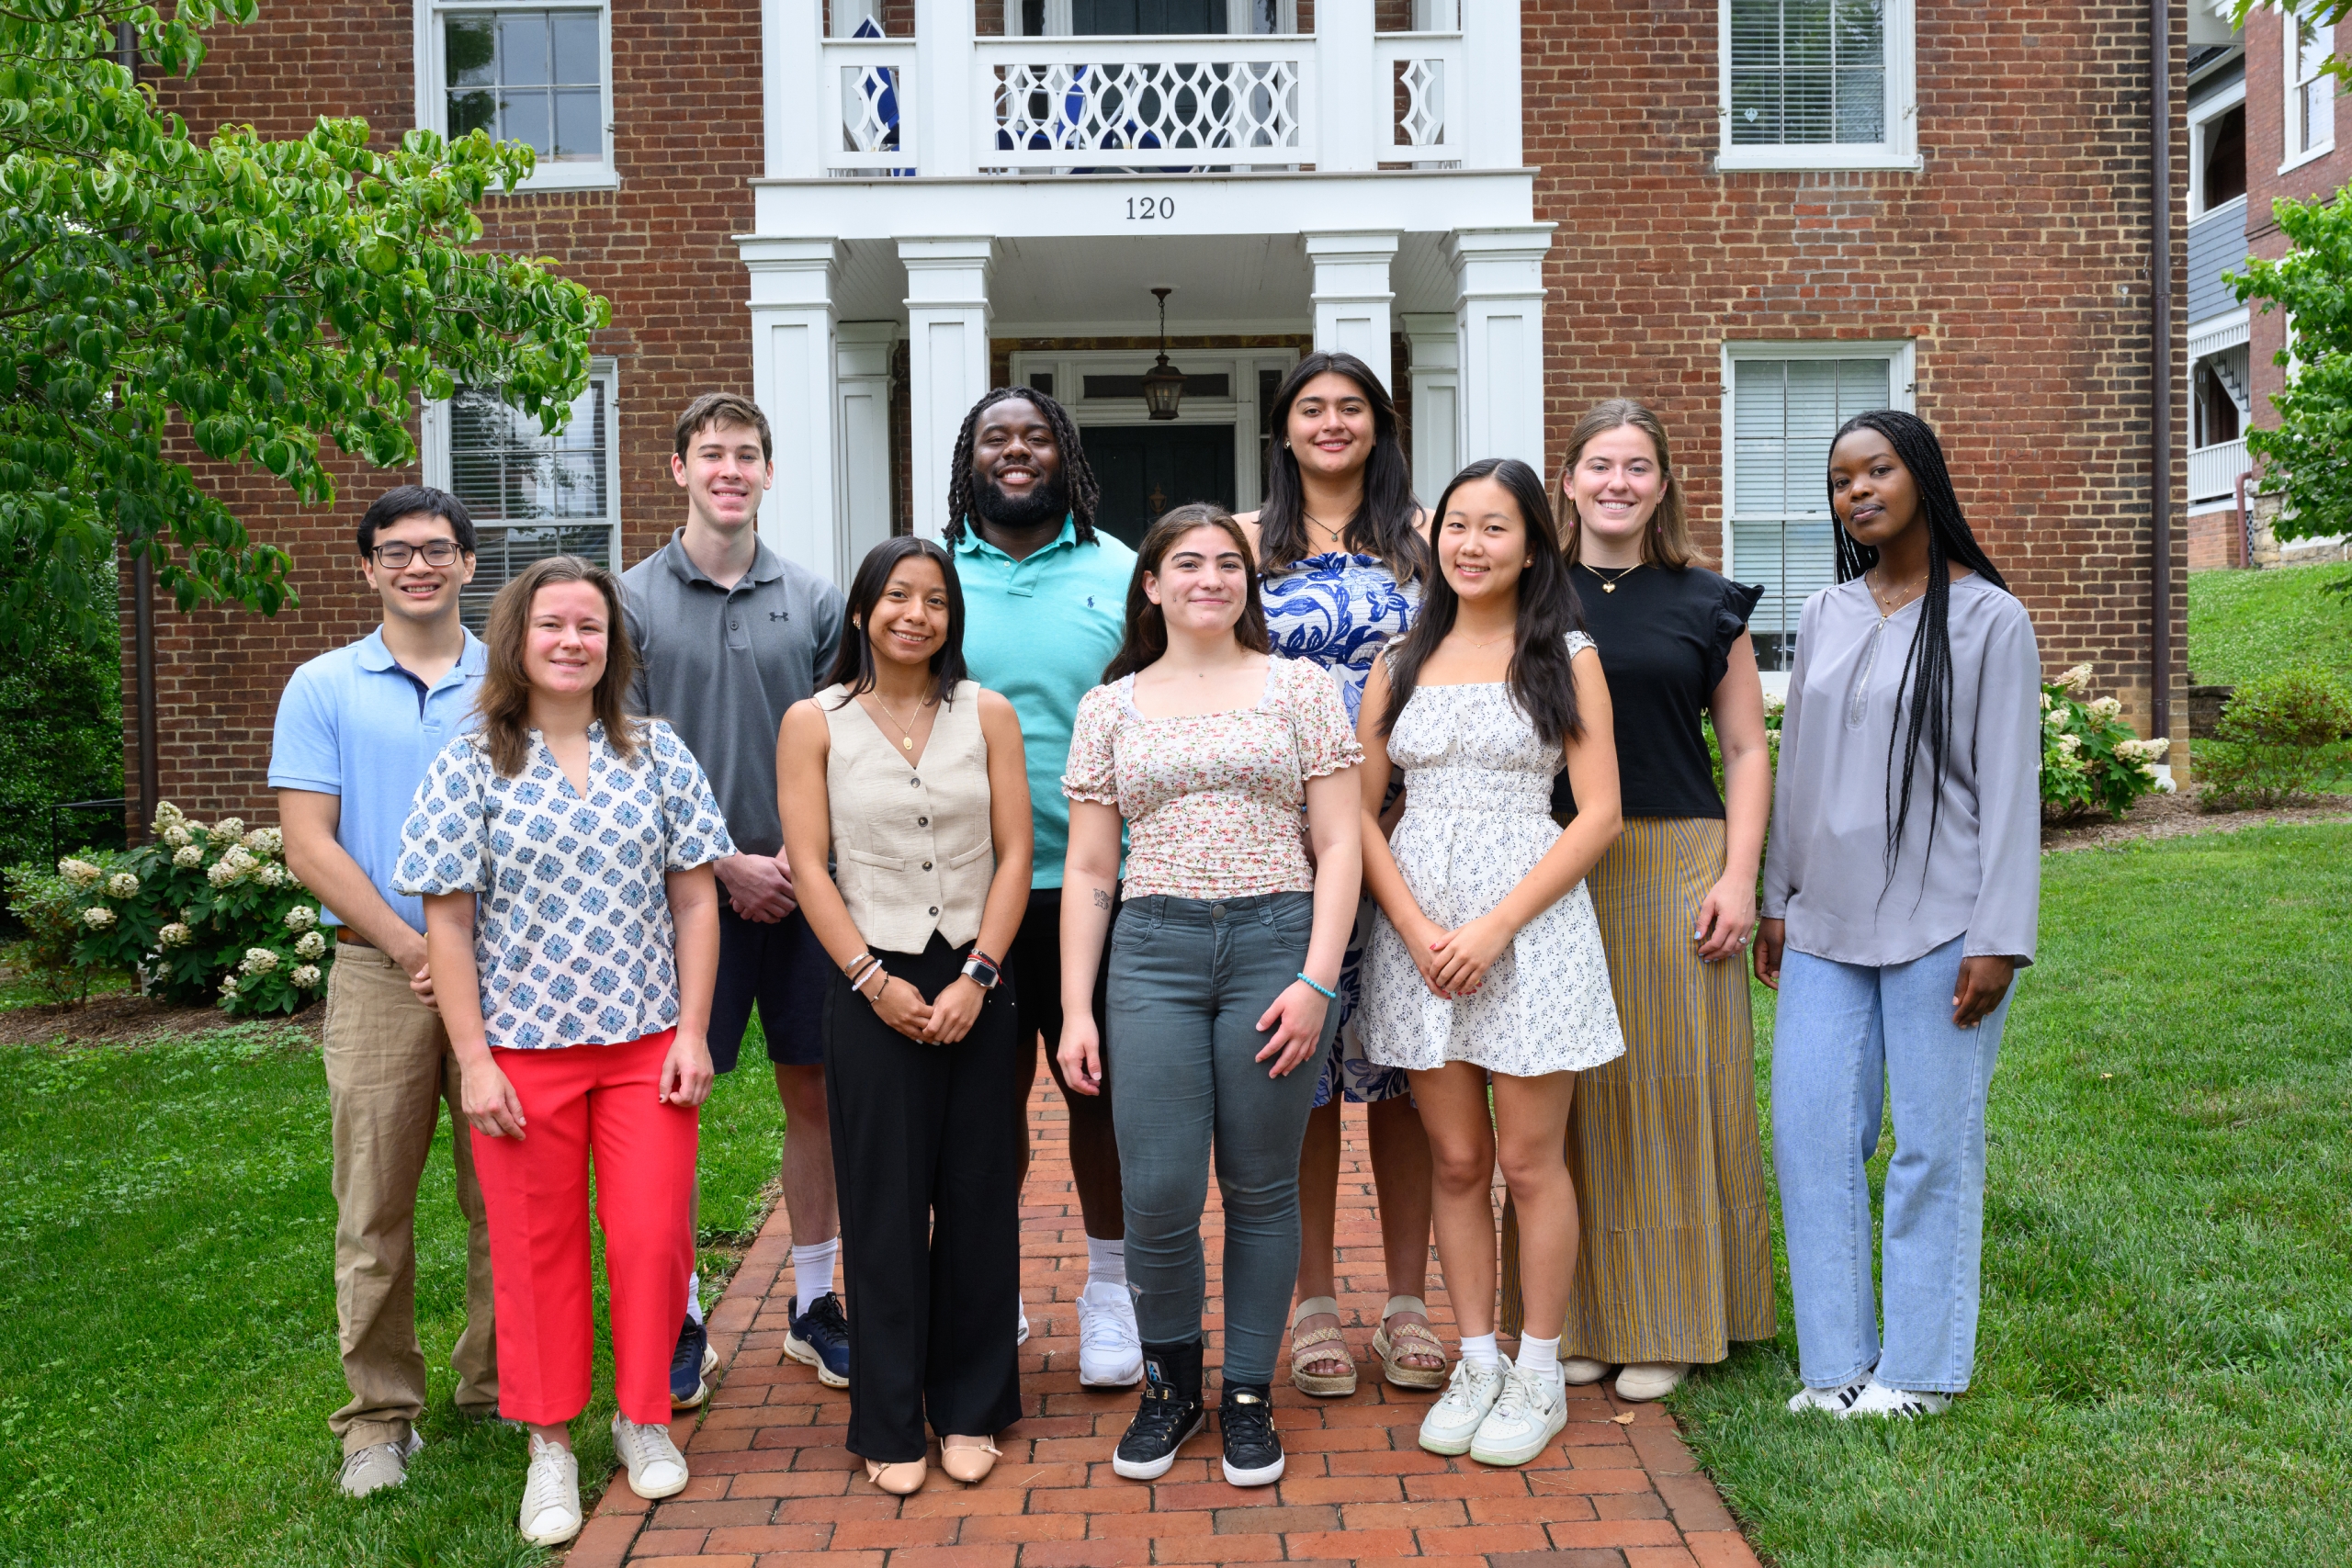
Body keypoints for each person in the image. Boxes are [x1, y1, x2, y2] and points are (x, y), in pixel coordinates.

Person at [395, 555, 733, 1545]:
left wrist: (695, 1031)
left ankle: (641, 1417)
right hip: (523, 1051)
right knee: (537, 1252)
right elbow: (446, 924)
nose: (572, 640)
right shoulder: (470, 762)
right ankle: (548, 1444)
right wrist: (472, 1058)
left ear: (611, 644)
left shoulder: (658, 752)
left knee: (649, 1239)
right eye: (552, 625)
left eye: (589, 625)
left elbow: (696, 897)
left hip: (646, 1046)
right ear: (518, 640)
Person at [1058, 504, 1363, 1488]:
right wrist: (1074, 1007)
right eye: (1185, 563)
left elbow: (1340, 844)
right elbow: (1093, 866)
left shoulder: (1299, 688)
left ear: (1249, 584)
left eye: (1227, 564)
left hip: (1276, 941)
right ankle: (1170, 1389)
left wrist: (1318, 978)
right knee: (1155, 1191)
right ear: (1149, 586)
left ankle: (1244, 1397)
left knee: (1262, 1186)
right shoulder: (1112, 705)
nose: (1208, 578)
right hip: (1152, 951)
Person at [1757, 410, 2040, 1420]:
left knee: (1931, 1144)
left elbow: (2009, 789)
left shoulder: (1989, 620)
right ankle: (1835, 1367)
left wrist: (1999, 936)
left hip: (1945, 923)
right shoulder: (1826, 613)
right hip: (1825, 923)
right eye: (1840, 480)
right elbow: (1798, 769)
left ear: (1921, 475)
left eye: (1876, 470)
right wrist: (1775, 900)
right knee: (1810, 1134)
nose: (1858, 491)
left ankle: (1917, 1370)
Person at [1496, 400, 1777, 1404]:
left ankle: (1669, 1316)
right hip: (1547, 860)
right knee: (1561, 1098)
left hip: (1673, 860)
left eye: (1638, 467)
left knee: (1664, 1086)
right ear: (1564, 482)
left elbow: (1744, 750)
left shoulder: (1707, 602)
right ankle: (1571, 1318)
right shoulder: (1525, 596)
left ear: (1663, 485)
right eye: (1598, 466)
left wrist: (1739, 875)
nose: (1617, 483)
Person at [1357, 457, 1625, 1470]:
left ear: (1530, 544)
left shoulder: (1563, 651)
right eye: (1456, 526)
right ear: (1433, 539)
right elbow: (1358, 809)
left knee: (1526, 1160)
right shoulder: (1400, 660)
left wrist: (1494, 926)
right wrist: (1420, 927)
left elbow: (1597, 810)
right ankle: (1474, 1358)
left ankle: (1538, 1367)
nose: (1470, 545)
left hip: (1530, 927)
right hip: (1420, 934)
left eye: (1495, 527)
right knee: (1458, 1162)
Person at [776, 536, 1035, 1494]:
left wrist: (979, 975)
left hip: (976, 975)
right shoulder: (817, 721)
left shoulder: (988, 713)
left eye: (933, 599)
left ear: (951, 618)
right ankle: (888, 1420)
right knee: (882, 1206)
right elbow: (808, 862)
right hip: (867, 975)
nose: (914, 614)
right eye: (895, 597)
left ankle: (969, 1408)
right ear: (860, 612)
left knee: (974, 1198)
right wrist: (869, 980)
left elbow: (1016, 852)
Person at [622, 393, 851, 1401]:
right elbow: (623, 757)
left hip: (806, 892)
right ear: (677, 470)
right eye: (710, 454)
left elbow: (847, 743)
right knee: (674, 1103)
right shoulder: (626, 603)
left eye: (746, 455)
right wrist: (721, 866)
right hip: (680, 900)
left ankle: (813, 1306)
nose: (729, 470)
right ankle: (676, 1318)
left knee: (818, 1096)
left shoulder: (812, 598)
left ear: (767, 473)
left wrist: (796, 862)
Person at [272, 484, 498, 1499]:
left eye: (438, 549)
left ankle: (501, 1382)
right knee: (373, 1203)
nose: (419, 566)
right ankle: (376, 1418)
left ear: (467, 564)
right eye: (397, 552)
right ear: (366, 569)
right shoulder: (323, 686)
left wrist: (457, 951)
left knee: (507, 1190)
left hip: (509, 961)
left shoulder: (515, 676)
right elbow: (307, 842)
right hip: (377, 969)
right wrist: (412, 944)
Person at [1234, 351, 1443, 1398]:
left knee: (1403, 1077)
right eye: (1311, 409)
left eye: (1348, 408)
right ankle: (1313, 1298)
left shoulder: (1423, 546)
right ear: (1283, 429)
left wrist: (1404, 798)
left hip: (1407, 838)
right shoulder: (1240, 546)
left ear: (1378, 424)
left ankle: (1406, 1302)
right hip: (1285, 849)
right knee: (1303, 1078)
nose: (1330, 423)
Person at [945, 386, 1144, 1382]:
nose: (1015, 452)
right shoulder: (927, 578)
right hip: (968, 892)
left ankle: (1111, 1292)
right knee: (981, 1101)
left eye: (1034, 437)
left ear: (1064, 455)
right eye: (996, 438)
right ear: (969, 456)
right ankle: (995, 1285)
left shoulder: (1123, 571)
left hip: (1099, 887)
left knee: (1097, 1093)